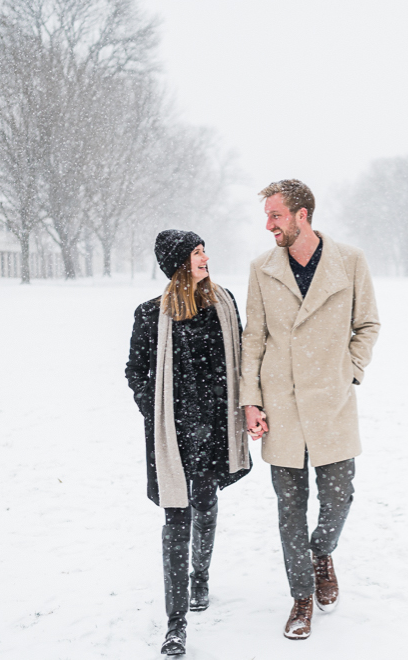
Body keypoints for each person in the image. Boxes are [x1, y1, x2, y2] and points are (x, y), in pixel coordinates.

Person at [240, 179, 380, 640]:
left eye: (275, 216)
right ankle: (301, 596)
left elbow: (367, 325)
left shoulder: (350, 261)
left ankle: (322, 552)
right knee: (289, 508)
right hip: (281, 404)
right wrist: (251, 401)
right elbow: (254, 339)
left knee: (340, 496)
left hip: (333, 400)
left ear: (303, 215)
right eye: (267, 216)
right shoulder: (262, 269)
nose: (268, 225)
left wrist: (350, 372)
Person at [125, 230, 251, 656]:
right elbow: (135, 372)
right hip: (173, 437)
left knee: (207, 503)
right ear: (179, 263)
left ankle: (201, 578)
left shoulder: (224, 305)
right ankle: (175, 625)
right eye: (198, 253)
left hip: (215, 431)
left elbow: (244, 356)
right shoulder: (149, 316)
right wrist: (157, 413)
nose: (206, 258)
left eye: (204, 251)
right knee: (176, 521)